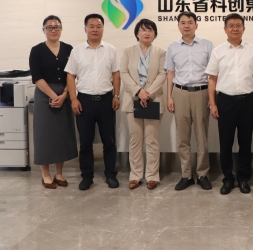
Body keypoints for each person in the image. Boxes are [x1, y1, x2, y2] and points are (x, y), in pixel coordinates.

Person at [206, 13, 253, 195]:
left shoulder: (252, 50)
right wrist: (213, 103)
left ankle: (243, 179)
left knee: (245, 141)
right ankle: (228, 179)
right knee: (226, 142)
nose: (235, 28)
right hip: (225, 101)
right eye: (231, 25)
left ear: (243, 29)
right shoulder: (218, 51)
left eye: (238, 25)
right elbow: (212, 79)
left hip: (247, 100)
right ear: (225, 29)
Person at [65, 14, 121, 190]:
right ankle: (87, 176)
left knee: (109, 141)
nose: (95, 29)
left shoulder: (111, 50)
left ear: (103, 28)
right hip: (84, 101)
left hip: (106, 101)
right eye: (91, 26)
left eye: (98, 26)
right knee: (85, 142)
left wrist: (116, 96)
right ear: (85, 29)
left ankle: (110, 174)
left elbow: (116, 74)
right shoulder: (77, 51)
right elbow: (70, 76)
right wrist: (73, 99)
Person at [165, 11, 214, 191]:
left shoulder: (207, 45)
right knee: (183, 138)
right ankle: (186, 175)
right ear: (178, 25)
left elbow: (213, 73)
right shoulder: (173, 47)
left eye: (190, 22)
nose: (186, 25)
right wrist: (169, 96)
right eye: (183, 22)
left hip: (201, 92)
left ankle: (202, 174)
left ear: (196, 25)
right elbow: (170, 73)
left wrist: (212, 97)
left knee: (202, 137)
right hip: (180, 93)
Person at [29, 15, 77, 189]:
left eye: (56, 27)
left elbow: (72, 74)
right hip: (44, 94)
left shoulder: (69, 49)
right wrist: (53, 95)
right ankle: (46, 174)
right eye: (49, 27)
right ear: (43, 30)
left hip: (64, 93)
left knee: (62, 134)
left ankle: (59, 173)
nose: (53, 30)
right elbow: (37, 77)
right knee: (44, 135)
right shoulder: (36, 50)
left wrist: (64, 95)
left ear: (61, 29)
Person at [120, 19, 167, 190]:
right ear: (137, 33)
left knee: (152, 139)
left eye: (150, 30)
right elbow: (124, 72)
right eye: (143, 29)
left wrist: (148, 93)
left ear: (155, 34)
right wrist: (138, 91)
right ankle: (135, 175)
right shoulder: (128, 51)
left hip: (153, 100)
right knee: (135, 140)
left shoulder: (161, 52)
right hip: (133, 100)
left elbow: (163, 74)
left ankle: (152, 176)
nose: (147, 33)